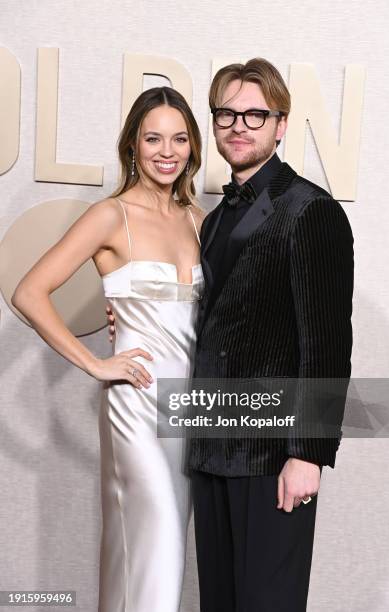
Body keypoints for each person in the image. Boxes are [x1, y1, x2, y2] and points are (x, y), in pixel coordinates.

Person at [109, 58, 354, 611]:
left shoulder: (311, 211)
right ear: (214, 124)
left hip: (273, 455)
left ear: (280, 124)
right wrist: (128, 313)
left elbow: (327, 344)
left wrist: (308, 455)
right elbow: (208, 315)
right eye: (226, 114)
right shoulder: (214, 218)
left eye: (254, 115)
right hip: (211, 449)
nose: (238, 125)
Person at [11, 86, 205, 612]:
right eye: (153, 139)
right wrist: (96, 363)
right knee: (158, 549)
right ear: (132, 147)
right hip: (135, 409)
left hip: (188, 414)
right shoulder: (110, 216)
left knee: (145, 558)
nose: (167, 151)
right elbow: (28, 292)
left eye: (180, 139)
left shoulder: (198, 220)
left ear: (193, 147)